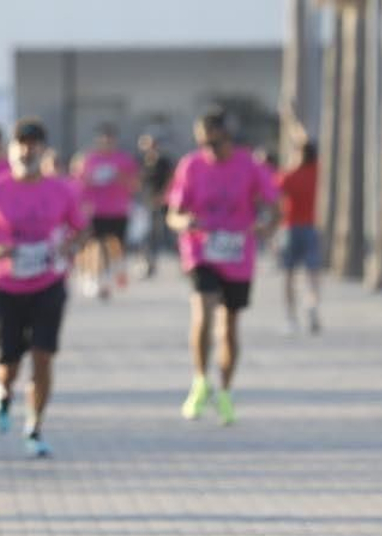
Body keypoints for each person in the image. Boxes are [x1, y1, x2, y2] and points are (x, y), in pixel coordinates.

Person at [0, 118, 87, 458]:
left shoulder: (60, 190)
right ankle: (2, 393)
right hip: (6, 287)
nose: (27, 150)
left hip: (48, 284)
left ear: (43, 150)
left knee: (43, 358)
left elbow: (82, 228)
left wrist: (70, 247)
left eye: (34, 144)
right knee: (9, 362)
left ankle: (35, 426)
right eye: (21, 144)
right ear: (11, 150)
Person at [167, 110, 279, 426]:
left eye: (216, 143)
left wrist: (266, 227)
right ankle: (201, 381)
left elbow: (274, 206)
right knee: (203, 309)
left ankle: (226, 392)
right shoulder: (191, 165)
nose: (210, 150)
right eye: (204, 143)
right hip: (201, 250)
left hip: (237, 255)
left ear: (229, 137)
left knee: (229, 325)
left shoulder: (250, 166)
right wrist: (183, 221)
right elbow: (173, 214)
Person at [72, 123, 140, 300]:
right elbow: (78, 185)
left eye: (110, 140)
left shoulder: (124, 160)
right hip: (95, 211)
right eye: (103, 139)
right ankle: (98, 281)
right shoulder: (88, 159)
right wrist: (90, 180)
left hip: (118, 210)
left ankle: (116, 273)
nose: (107, 143)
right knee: (96, 245)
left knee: (116, 246)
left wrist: (120, 178)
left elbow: (135, 185)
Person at [276, 140, 321, 334]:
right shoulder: (318, 173)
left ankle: (291, 318)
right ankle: (312, 305)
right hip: (311, 227)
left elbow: (274, 190)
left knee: (288, 275)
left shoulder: (290, 175)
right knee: (312, 274)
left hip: (290, 227)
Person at [137, 133, 175, 278]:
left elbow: (171, 179)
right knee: (147, 235)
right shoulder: (142, 161)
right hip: (146, 202)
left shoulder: (164, 161)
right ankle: (149, 264)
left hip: (162, 202)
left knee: (166, 233)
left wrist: (163, 195)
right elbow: (138, 181)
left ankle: (183, 261)